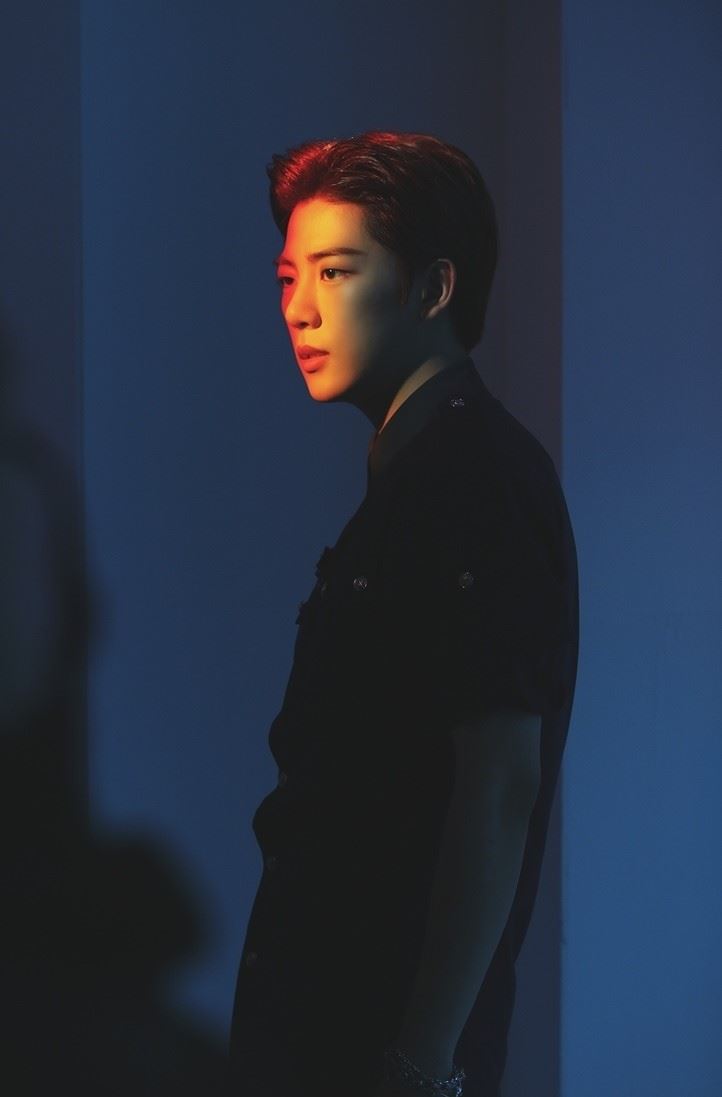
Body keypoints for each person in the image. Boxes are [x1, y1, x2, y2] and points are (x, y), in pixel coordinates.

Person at [228, 131, 579, 1097]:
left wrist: (421, 1063)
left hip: (374, 1049)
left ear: (432, 288)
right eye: (289, 276)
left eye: (336, 271)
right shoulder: (422, 473)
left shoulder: (473, 478)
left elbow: (499, 785)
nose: (299, 308)